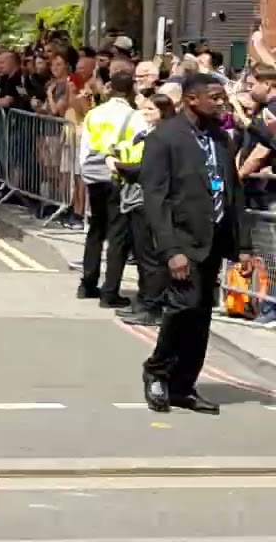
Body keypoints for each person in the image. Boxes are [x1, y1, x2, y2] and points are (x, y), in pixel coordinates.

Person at [140, 73, 253, 414]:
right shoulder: (164, 137)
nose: (222, 103)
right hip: (181, 241)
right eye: (215, 97)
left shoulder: (220, 138)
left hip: (213, 242)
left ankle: (183, 385)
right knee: (182, 308)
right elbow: (155, 198)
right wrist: (171, 250)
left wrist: (243, 246)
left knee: (201, 315)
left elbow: (233, 193)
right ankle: (157, 371)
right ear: (191, 99)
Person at [77, 71, 146, 308]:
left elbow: (84, 147)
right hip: (118, 175)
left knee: (96, 228)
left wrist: (83, 174)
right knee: (118, 235)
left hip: (94, 174)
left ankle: (87, 283)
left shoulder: (94, 114)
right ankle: (110, 292)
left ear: (110, 88)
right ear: (131, 90)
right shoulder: (135, 116)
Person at [108, 92, 177, 327]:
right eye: (144, 109)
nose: (145, 114)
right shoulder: (145, 134)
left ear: (164, 112)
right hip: (136, 200)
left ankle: (152, 306)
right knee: (141, 255)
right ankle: (143, 300)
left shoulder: (162, 137)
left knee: (151, 259)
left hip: (151, 202)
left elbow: (143, 169)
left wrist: (115, 165)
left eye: (151, 110)